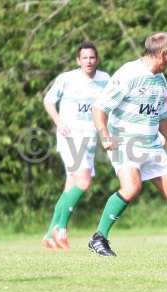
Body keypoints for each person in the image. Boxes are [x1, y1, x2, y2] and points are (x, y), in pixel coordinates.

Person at [88, 32, 167, 257]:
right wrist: (105, 135)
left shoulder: (160, 79)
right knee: (132, 187)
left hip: (151, 145)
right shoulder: (129, 73)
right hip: (125, 141)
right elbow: (99, 108)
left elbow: (162, 117)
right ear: (163, 54)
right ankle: (99, 237)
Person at [41, 41, 110, 250]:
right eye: (84, 58)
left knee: (71, 184)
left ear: (97, 59)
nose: (89, 61)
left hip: (90, 138)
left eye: (92, 57)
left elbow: (109, 107)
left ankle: (50, 235)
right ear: (78, 60)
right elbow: (48, 100)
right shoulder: (67, 78)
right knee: (84, 180)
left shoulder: (105, 79)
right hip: (70, 136)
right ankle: (60, 228)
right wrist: (59, 122)